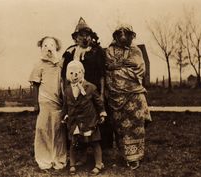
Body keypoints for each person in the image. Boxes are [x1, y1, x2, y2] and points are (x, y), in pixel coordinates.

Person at [61, 17, 113, 158]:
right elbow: (65, 76)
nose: (84, 38)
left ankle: (100, 154)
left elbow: (102, 74)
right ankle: (80, 153)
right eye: (80, 35)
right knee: (77, 121)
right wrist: (68, 94)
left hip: (93, 92)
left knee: (96, 122)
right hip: (76, 93)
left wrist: (102, 94)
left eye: (87, 35)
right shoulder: (70, 53)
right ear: (75, 38)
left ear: (91, 37)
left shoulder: (98, 52)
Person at [104, 25, 152, 169]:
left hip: (134, 94)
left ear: (132, 35)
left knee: (137, 124)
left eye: (127, 34)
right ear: (116, 36)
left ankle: (136, 156)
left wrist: (119, 68)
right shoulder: (110, 50)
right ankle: (125, 155)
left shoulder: (136, 50)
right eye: (120, 34)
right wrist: (122, 67)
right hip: (116, 95)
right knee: (120, 127)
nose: (123, 37)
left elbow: (140, 69)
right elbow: (108, 68)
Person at [62, 60, 107, 175]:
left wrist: (102, 113)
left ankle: (98, 164)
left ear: (82, 73)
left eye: (77, 73)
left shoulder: (90, 87)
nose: (74, 76)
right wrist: (65, 115)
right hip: (74, 120)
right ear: (68, 75)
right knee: (74, 142)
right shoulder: (67, 90)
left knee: (94, 142)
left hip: (89, 120)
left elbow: (98, 102)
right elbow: (66, 105)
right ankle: (72, 164)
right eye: (71, 73)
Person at [29, 36, 67, 171]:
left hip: (58, 101)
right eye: (45, 46)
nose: (48, 49)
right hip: (44, 101)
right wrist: (35, 104)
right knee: (43, 129)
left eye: (51, 45)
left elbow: (64, 82)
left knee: (58, 130)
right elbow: (35, 84)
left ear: (56, 47)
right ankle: (44, 158)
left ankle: (58, 158)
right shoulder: (39, 64)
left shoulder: (60, 64)